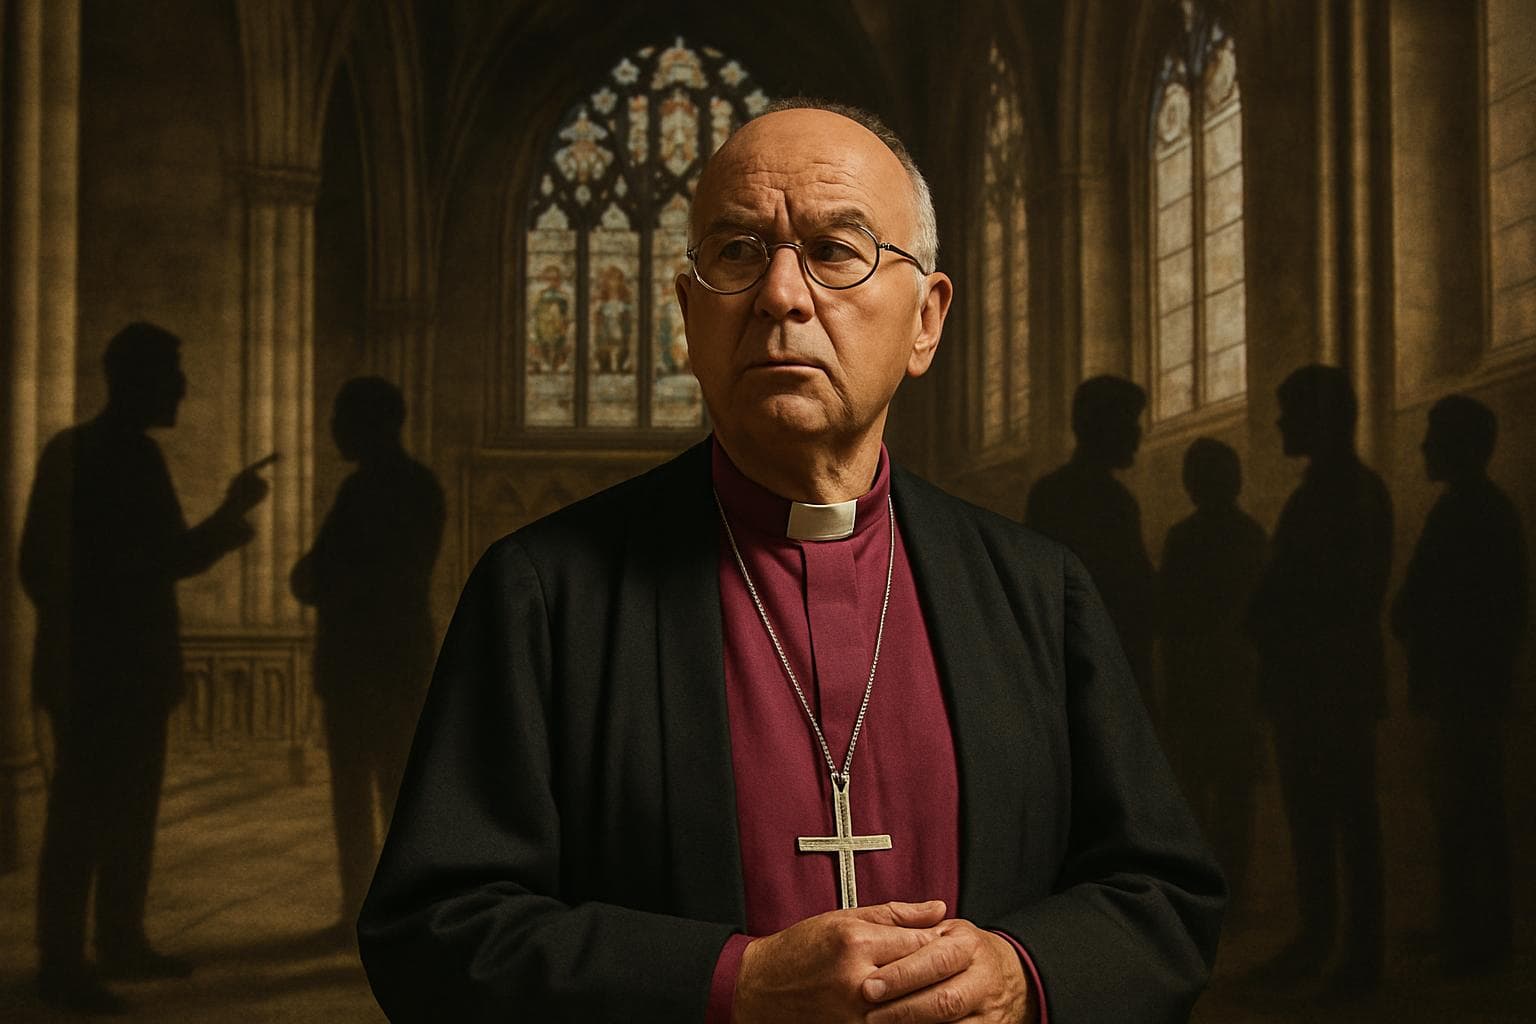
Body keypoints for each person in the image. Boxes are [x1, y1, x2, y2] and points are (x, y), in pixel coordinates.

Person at [359, 100, 1223, 1023]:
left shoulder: (1039, 592)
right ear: (690, 319)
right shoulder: (543, 594)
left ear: (926, 320)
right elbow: (435, 934)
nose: (780, 294)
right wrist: (730, 986)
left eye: (835, 250)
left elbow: (1162, 896)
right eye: (736, 254)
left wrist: (1026, 975)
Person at [19, 322, 273, 1013]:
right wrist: (227, 519)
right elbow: (45, 566)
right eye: (171, 374)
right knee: (81, 818)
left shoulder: (112, 455)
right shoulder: (95, 455)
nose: (183, 388)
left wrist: (225, 513)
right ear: (134, 380)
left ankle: (120, 939)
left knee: (128, 811)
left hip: (120, 669)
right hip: (100, 670)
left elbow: (160, 558)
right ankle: (63, 964)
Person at [1246, 364, 1390, 997]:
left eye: (1291, 410)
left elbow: (1337, 595)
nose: (1280, 422)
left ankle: (1356, 955)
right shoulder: (1328, 491)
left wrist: (1270, 611)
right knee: (1315, 820)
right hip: (1313, 686)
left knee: (1347, 820)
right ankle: (1321, 939)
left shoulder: (1347, 494)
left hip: (1329, 687)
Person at [290, 377, 445, 942]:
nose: (333, 429)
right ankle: (385, 910)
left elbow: (323, 576)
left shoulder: (368, 491)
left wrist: (322, 579)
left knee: (365, 794)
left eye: (341, 418)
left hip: (366, 665)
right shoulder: (415, 484)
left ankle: (371, 910)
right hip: (395, 662)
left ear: (369, 425)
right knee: (391, 791)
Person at [1391, 395, 1526, 975]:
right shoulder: (1485, 509)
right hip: (1472, 682)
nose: (1423, 447)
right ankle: (1471, 930)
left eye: (1434, 436)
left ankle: (1476, 939)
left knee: (1466, 809)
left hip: (1463, 684)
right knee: (1467, 808)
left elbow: (1433, 597)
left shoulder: (1465, 512)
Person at [1157, 438, 1267, 912]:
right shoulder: (1249, 535)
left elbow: (1168, 611)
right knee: (1227, 789)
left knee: (1204, 786)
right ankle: (1231, 887)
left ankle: (1208, 889)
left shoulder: (1186, 537)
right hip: (1231, 675)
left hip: (1208, 676)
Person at [1024, 376, 1157, 720]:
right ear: (1103, 427)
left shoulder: (1052, 493)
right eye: (1130, 423)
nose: (1137, 434)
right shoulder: (1109, 501)